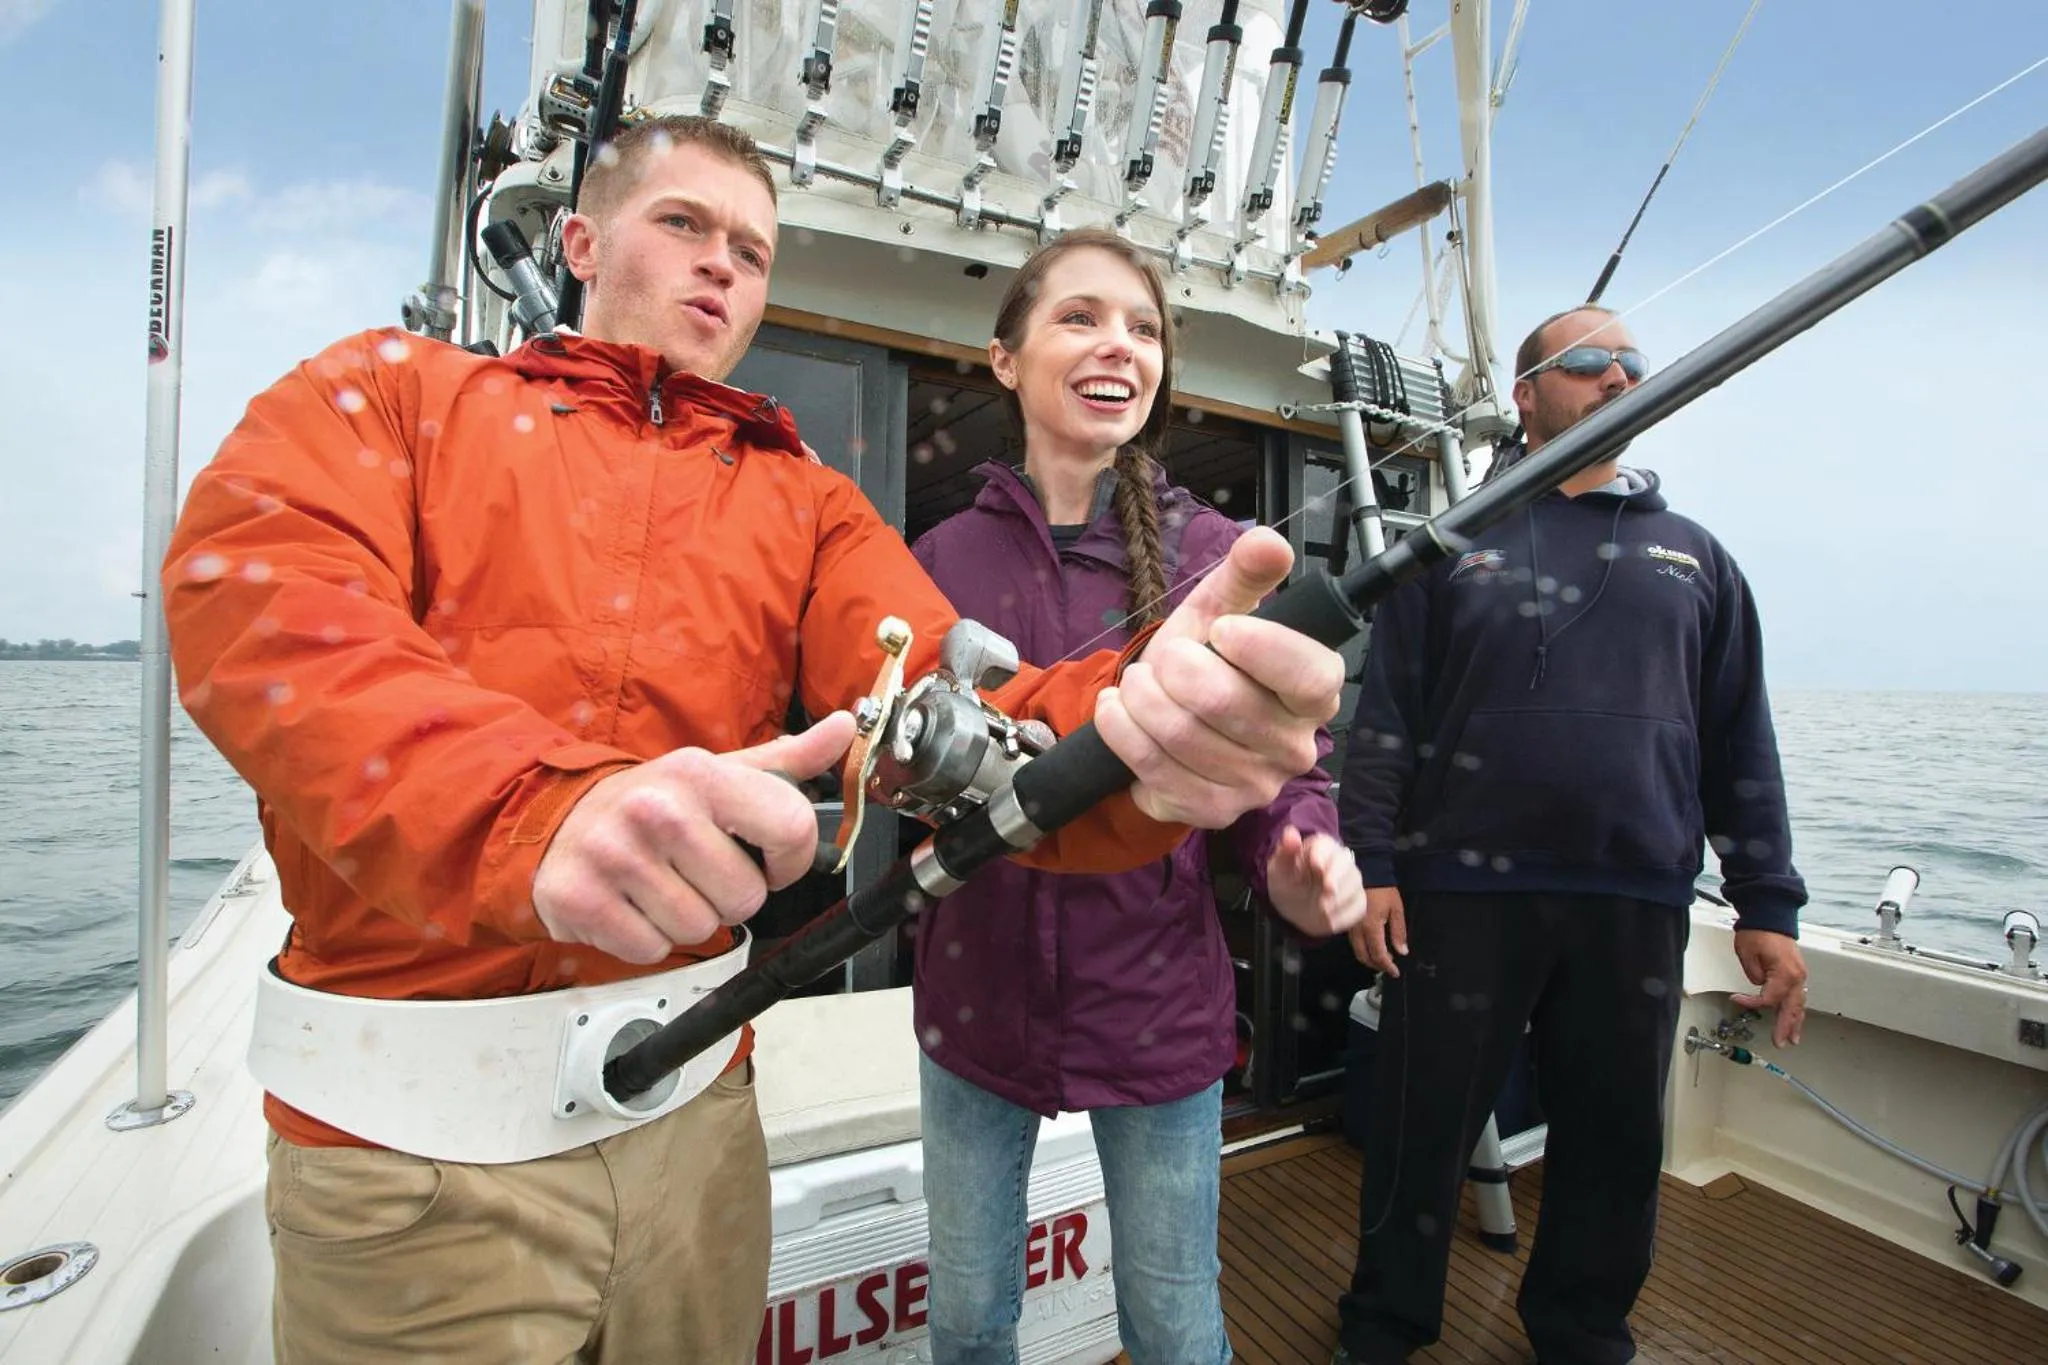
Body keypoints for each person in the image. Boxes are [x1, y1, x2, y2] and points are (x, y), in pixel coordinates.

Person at [161, 116, 1348, 1364]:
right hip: (408, 1162)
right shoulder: (395, 396)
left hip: (698, 1141)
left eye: (752, 248)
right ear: (579, 239)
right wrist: (531, 810)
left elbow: (949, 716)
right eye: (683, 225)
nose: (720, 264)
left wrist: (1133, 743)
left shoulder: (809, 502)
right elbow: (265, 596)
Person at [907, 227, 1369, 1365]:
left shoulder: (1217, 558)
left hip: (1158, 1007)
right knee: (966, 1323)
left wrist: (1301, 849)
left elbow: (1279, 770)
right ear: (1004, 359)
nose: (1118, 344)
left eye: (1143, 327)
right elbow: (894, 753)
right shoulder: (936, 556)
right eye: (1079, 317)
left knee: (1171, 1324)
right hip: (972, 1003)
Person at [1329, 305, 1812, 1365]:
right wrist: (1369, 866)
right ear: (1526, 393)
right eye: (1589, 360)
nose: (1617, 376)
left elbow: (1739, 742)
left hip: (1633, 899)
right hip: (1455, 891)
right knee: (1420, 1135)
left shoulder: (1698, 561)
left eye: (1633, 363)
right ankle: (1381, 1326)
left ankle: (1581, 1331)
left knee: (1613, 1140)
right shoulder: (1448, 546)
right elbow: (1386, 724)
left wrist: (1765, 906)